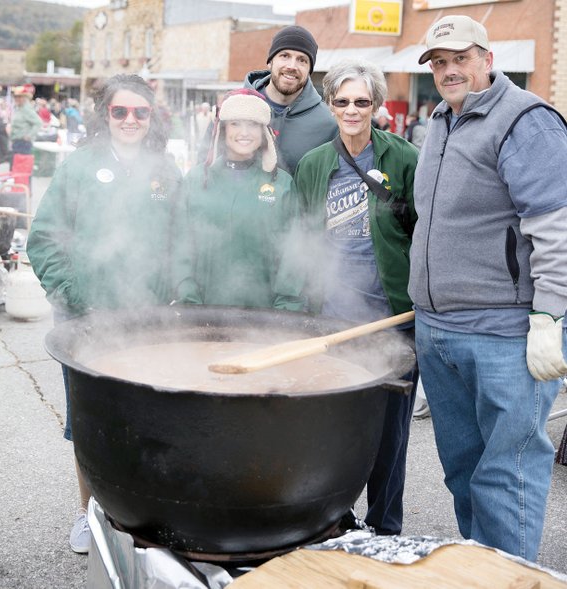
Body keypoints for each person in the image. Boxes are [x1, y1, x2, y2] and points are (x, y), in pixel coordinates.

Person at [409, 15, 567, 562]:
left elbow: (557, 229)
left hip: (503, 336)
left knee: (507, 477)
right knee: (464, 472)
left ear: (488, 59)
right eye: (439, 63)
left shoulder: (526, 121)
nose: (449, 71)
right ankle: (480, 570)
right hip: (439, 331)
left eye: (460, 59)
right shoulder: (441, 122)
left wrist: (550, 318)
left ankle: (511, 576)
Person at [26, 73, 182, 554]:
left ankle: (136, 516)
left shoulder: (167, 171)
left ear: (151, 116)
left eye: (140, 111)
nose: (130, 120)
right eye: (120, 111)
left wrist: (173, 293)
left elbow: (183, 242)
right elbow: (44, 238)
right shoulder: (78, 167)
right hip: (86, 320)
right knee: (91, 424)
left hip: (147, 323)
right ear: (105, 115)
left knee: (146, 424)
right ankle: (88, 514)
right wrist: (74, 295)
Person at [293, 59, 419, 535]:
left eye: (361, 101)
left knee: (390, 436)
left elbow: (423, 232)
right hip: (332, 321)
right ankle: (336, 521)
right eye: (342, 101)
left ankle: (386, 527)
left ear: (376, 106)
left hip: (391, 319)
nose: (351, 109)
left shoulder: (403, 158)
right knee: (335, 433)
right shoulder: (314, 164)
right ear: (329, 105)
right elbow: (301, 237)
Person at [172, 88, 303, 311]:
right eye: (235, 123)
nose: (245, 132)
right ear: (222, 129)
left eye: (253, 124)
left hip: (263, 315)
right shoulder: (195, 181)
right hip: (203, 313)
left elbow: (293, 253)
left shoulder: (281, 184)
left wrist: (286, 310)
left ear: (264, 132)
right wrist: (189, 301)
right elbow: (180, 247)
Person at [243, 25, 338, 174]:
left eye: (302, 60)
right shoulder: (237, 106)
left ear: (309, 69)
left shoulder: (328, 124)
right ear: (270, 62)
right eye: (285, 56)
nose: (292, 66)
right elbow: (207, 169)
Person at [9, 85, 42, 164]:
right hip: (18, 142)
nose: (17, 99)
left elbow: (38, 123)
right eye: (16, 97)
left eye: (19, 97)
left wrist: (29, 136)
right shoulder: (19, 108)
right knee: (17, 168)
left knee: (21, 169)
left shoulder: (26, 109)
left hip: (23, 144)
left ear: (24, 98)